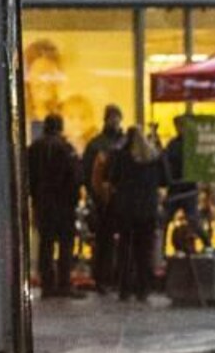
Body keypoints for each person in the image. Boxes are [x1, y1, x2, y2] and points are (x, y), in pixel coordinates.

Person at [26, 113, 80, 296]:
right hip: (63, 204)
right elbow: (75, 177)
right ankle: (63, 283)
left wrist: (34, 197)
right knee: (65, 244)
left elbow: (28, 177)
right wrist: (74, 199)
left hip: (43, 203)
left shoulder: (34, 148)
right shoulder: (66, 148)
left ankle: (47, 284)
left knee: (46, 245)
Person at [111, 127, 165, 302]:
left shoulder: (122, 157)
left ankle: (124, 289)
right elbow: (166, 179)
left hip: (126, 211)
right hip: (147, 211)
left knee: (125, 251)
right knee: (144, 252)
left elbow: (112, 177)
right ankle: (143, 289)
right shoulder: (153, 158)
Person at [81, 105, 127, 290]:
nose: (115, 121)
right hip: (103, 201)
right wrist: (94, 196)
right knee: (104, 241)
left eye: (117, 118)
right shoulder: (97, 145)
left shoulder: (123, 143)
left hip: (120, 200)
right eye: (112, 118)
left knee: (117, 241)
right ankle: (103, 277)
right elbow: (87, 173)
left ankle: (115, 276)